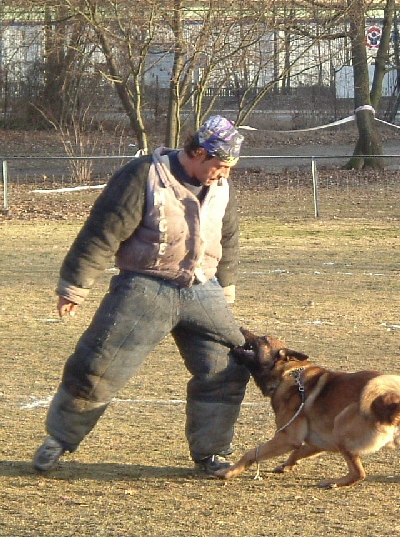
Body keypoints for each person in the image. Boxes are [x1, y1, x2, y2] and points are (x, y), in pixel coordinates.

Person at [33, 115, 250, 475]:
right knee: (97, 366)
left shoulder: (222, 187)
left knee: (225, 369)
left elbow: (227, 236)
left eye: (229, 168)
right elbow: (103, 231)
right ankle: (58, 441)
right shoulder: (143, 175)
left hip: (203, 288)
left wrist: (225, 287)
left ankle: (211, 453)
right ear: (196, 152)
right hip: (144, 285)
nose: (224, 174)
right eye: (220, 166)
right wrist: (75, 286)